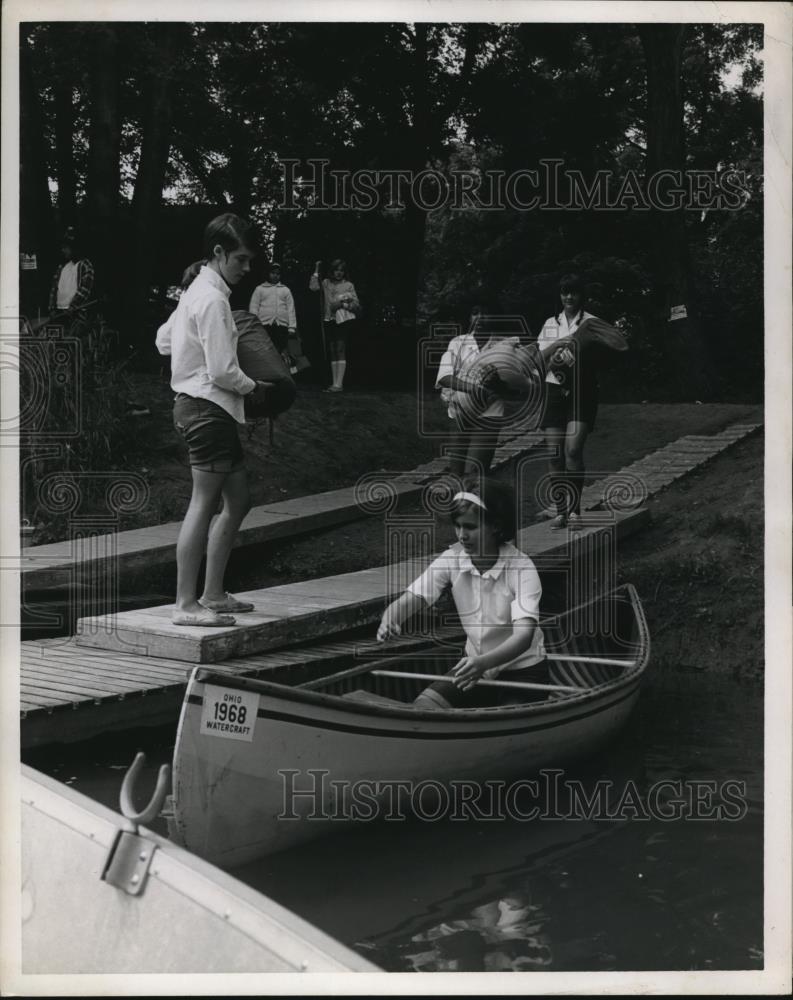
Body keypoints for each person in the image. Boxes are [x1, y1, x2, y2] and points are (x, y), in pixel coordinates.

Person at [155, 213, 271, 627]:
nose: (246, 267)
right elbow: (223, 371)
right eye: (240, 259)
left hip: (203, 408)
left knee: (239, 501)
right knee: (203, 503)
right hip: (207, 408)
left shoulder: (195, 292)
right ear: (219, 253)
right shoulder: (213, 298)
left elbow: (163, 340)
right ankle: (186, 604)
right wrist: (253, 386)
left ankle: (214, 594)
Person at [377, 477, 547, 708]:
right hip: (474, 666)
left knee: (503, 725)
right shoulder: (452, 558)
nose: (461, 535)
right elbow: (412, 599)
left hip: (523, 671)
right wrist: (391, 619)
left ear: (496, 526)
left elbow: (523, 637)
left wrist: (482, 664)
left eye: (470, 527)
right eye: (458, 526)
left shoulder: (522, 567)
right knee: (424, 709)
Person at [535, 273, 601, 530]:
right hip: (554, 390)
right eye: (564, 292)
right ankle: (560, 512)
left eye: (573, 292)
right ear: (560, 295)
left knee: (573, 450)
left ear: (582, 294)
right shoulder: (550, 324)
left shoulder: (592, 323)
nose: (569, 297)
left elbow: (607, 356)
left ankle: (574, 512)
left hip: (582, 391)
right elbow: (539, 361)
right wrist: (557, 346)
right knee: (554, 455)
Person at [309, 258, 360, 392]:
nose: (339, 273)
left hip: (342, 321)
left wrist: (342, 304)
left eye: (341, 270)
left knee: (340, 348)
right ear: (332, 271)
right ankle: (334, 384)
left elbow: (356, 305)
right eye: (336, 270)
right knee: (332, 349)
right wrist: (316, 269)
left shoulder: (349, 285)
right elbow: (313, 287)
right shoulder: (326, 283)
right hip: (328, 320)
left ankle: (339, 384)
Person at [248, 262, 308, 373]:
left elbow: (291, 309)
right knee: (266, 350)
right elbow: (254, 308)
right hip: (264, 325)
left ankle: (283, 374)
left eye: (278, 274)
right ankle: (267, 373)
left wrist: (292, 327)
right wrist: (255, 325)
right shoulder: (260, 289)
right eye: (272, 273)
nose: (275, 276)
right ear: (267, 274)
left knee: (281, 350)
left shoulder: (285, 290)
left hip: (282, 326)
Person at [47, 229, 95, 325]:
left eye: (66, 247)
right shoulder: (62, 267)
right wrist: (52, 308)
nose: (63, 250)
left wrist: (73, 306)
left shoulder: (84, 265)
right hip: (59, 314)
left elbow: (85, 290)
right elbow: (54, 289)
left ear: (74, 247)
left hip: (75, 315)